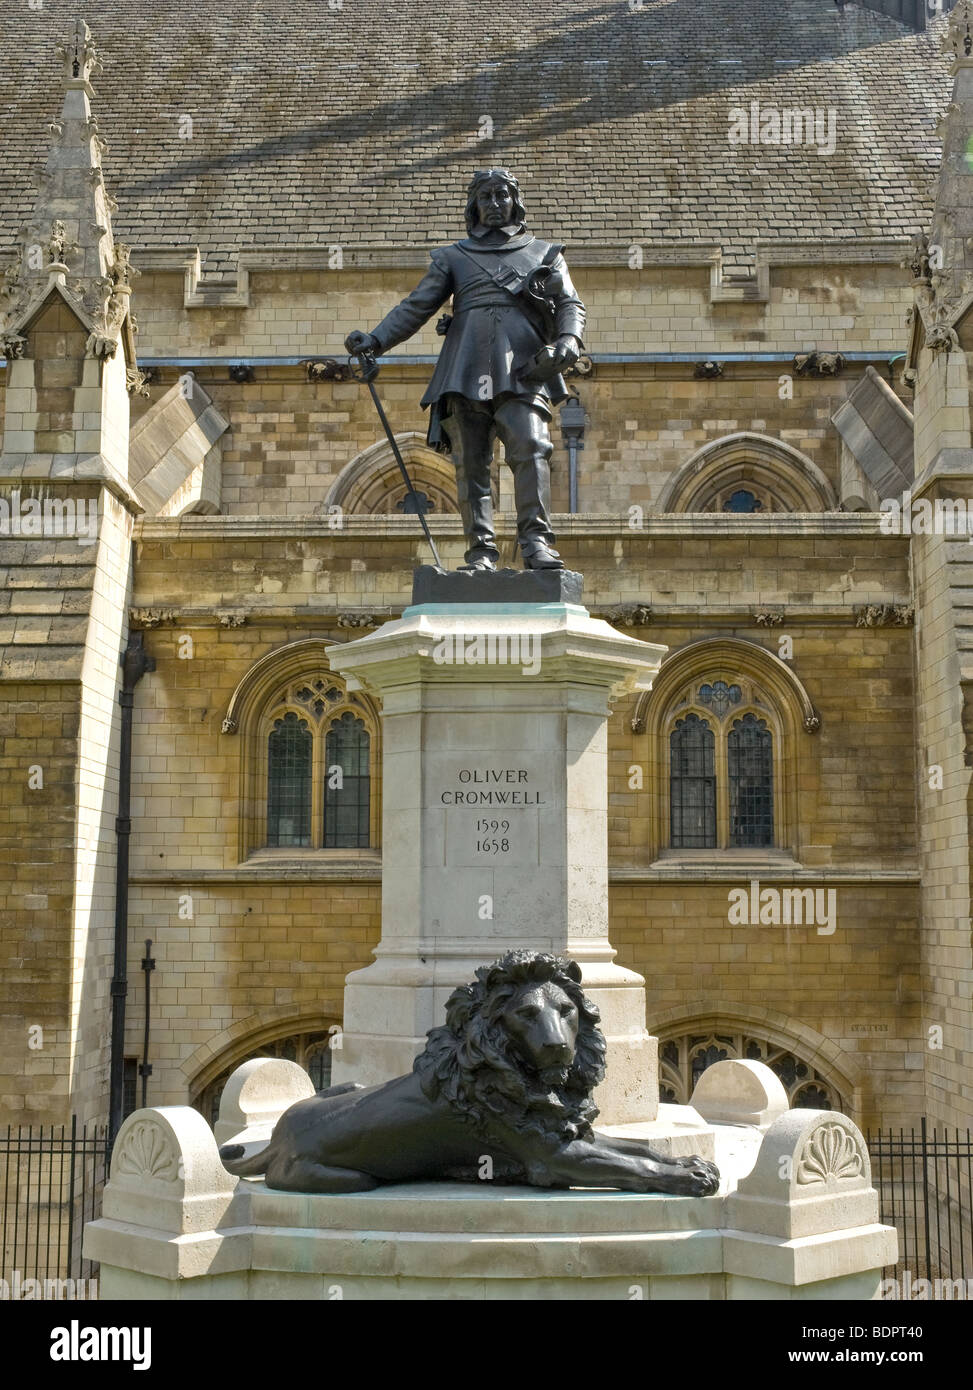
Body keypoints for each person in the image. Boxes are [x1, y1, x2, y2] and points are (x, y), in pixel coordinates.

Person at [345, 168, 586, 571]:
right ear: (474, 206)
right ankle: (480, 554)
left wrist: (569, 341)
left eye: (502, 196)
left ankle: (537, 544)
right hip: (465, 366)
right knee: (471, 463)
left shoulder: (545, 254)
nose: (494, 204)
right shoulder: (453, 257)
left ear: (515, 202)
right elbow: (416, 307)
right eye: (486, 197)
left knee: (531, 447)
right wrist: (376, 340)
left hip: (524, 366)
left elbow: (569, 305)